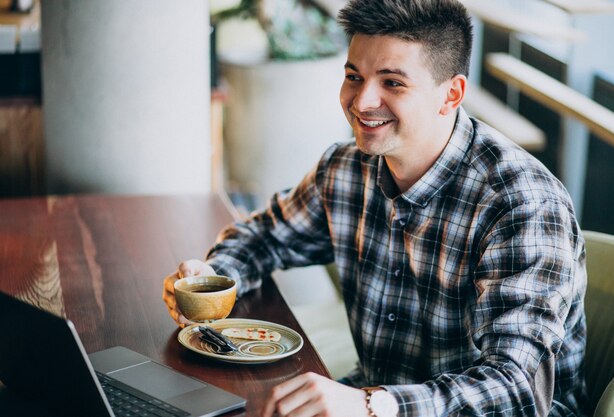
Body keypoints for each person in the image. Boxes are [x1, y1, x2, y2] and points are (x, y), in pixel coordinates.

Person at [163, 0, 588, 415]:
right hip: (374, 395)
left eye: (392, 82)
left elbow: (515, 388)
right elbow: (262, 236)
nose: (362, 102)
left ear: (451, 94)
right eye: (354, 76)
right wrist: (215, 278)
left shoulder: (520, 203)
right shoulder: (347, 167)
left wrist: (371, 404)